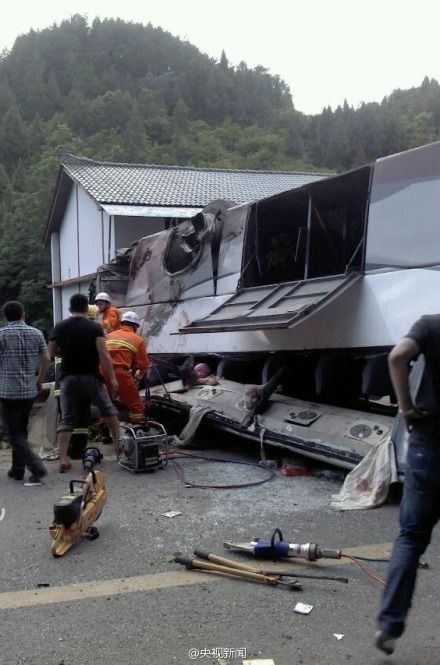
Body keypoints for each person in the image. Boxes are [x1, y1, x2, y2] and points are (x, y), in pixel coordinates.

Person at [375, 313, 440, 655]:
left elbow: (397, 356)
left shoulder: (431, 324)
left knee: (411, 539)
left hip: (429, 445)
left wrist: (406, 408)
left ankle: (389, 625)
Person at [49, 293, 120, 471]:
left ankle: (64, 459)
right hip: (91, 376)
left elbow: (52, 353)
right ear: (85, 308)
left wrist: (64, 352)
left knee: (66, 418)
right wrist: (112, 378)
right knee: (108, 409)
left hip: (68, 378)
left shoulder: (59, 327)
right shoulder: (94, 327)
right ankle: (119, 447)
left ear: (70, 308)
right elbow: (103, 354)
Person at [0, 301, 50, 485]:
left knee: (13, 435)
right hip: (29, 391)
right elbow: (46, 359)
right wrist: (39, 379)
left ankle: (36, 467)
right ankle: (17, 470)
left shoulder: (2, 335)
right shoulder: (36, 333)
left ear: (6, 316)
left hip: (7, 392)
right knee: (20, 431)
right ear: (23, 314)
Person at [103, 311, 149, 423]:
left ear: (122, 323)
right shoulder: (137, 340)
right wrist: (139, 375)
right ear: (135, 326)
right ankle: (135, 429)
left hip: (102, 372)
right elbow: (144, 364)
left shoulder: (108, 336)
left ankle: (105, 433)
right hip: (120, 374)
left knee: (106, 404)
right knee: (136, 406)